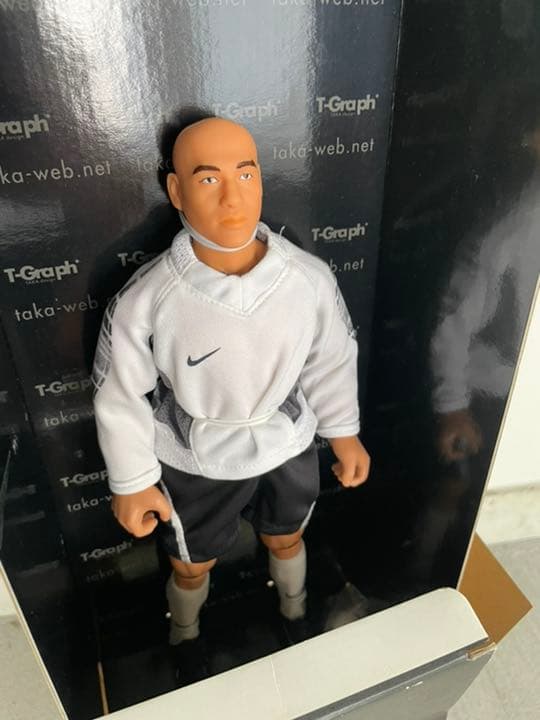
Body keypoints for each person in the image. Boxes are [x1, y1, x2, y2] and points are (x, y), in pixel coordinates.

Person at [92, 117, 370, 645]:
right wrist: (132, 479)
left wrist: (343, 431)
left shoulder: (307, 279)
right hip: (195, 457)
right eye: (207, 179)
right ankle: (185, 633)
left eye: (245, 175)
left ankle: (295, 609)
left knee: (287, 537)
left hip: (285, 443)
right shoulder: (148, 298)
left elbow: (331, 358)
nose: (232, 198)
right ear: (176, 191)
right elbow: (120, 390)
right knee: (192, 564)